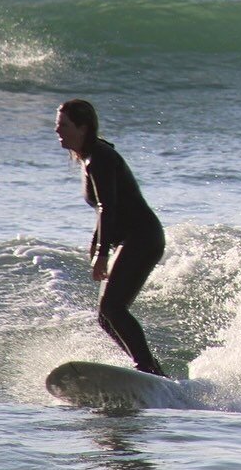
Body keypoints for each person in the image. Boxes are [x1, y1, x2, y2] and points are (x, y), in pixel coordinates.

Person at [55, 99, 167, 377]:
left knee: (112, 308)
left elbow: (108, 206)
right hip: (132, 239)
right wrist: (97, 245)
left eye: (64, 126)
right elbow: (104, 208)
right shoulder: (90, 157)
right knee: (106, 316)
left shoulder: (99, 157)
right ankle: (148, 369)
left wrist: (102, 253)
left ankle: (148, 369)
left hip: (143, 238)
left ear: (83, 127)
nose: (58, 132)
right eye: (57, 126)